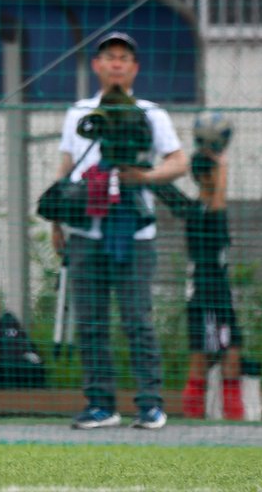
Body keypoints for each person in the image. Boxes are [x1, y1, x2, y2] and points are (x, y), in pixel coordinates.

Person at [53, 31, 188, 430]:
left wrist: (142, 176)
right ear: (97, 65)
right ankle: (100, 403)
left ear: (134, 67)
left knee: (137, 319)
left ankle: (150, 404)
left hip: (134, 232)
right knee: (91, 322)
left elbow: (178, 162)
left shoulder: (151, 113)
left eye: (123, 58)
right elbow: (66, 167)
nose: (116, 63)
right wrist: (58, 218)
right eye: (109, 57)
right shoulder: (79, 112)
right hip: (86, 230)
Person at [180, 112, 244, 420]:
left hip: (222, 295)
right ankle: (194, 419)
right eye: (216, 175)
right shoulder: (200, 212)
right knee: (202, 360)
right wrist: (222, 164)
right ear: (205, 178)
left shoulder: (210, 208)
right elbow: (218, 200)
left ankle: (235, 419)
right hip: (204, 297)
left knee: (233, 356)